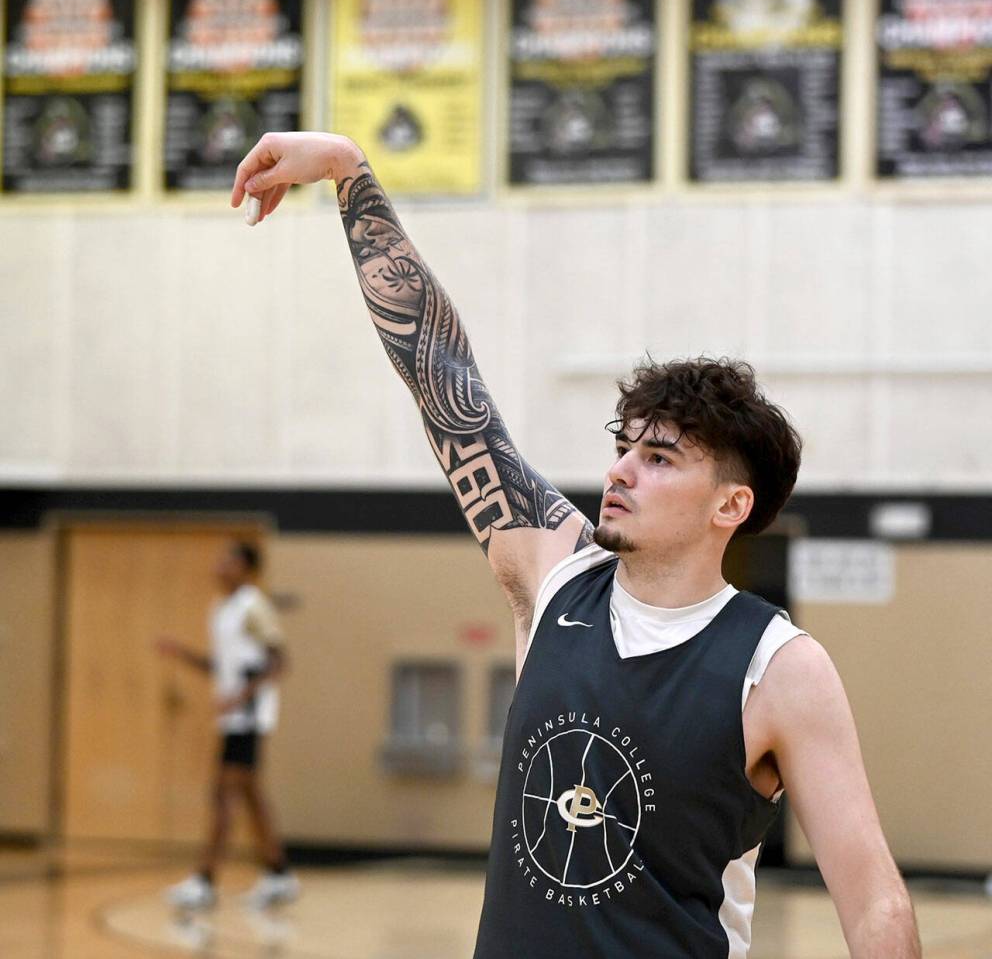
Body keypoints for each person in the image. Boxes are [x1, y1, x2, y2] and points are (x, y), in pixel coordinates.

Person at [230, 133, 921, 957]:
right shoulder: (557, 575)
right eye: (624, 445)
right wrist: (350, 174)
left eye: (659, 458)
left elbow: (874, 902)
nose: (621, 468)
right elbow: (442, 376)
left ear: (731, 505)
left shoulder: (780, 666)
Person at [157, 540, 299, 910]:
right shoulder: (222, 609)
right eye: (220, 559)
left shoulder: (253, 605)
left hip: (248, 716)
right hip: (233, 715)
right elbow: (222, 668)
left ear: (247, 568)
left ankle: (205, 880)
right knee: (251, 797)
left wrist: (240, 697)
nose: (220, 565)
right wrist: (182, 653)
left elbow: (279, 662)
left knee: (222, 794)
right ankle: (279, 873)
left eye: (229, 561)